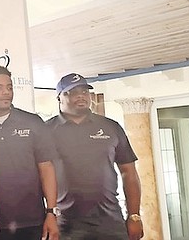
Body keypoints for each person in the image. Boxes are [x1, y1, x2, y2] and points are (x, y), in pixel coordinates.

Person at [46, 73, 143, 240]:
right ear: (59, 97)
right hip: (66, 224)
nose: (81, 96)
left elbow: (129, 172)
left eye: (84, 91)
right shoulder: (46, 131)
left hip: (110, 222)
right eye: (72, 92)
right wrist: (49, 215)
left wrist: (134, 215)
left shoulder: (111, 127)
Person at [0, 66, 59, 240]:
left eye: (9, 87)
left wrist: (51, 212)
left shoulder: (32, 122)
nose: (6, 92)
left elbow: (46, 167)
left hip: (32, 221)